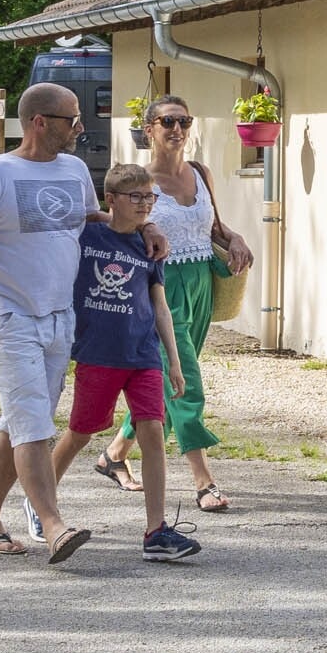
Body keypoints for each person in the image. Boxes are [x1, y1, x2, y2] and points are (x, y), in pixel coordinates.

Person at [0, 81, 101, 562]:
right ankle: (53, 525)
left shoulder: (75, 169)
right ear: (39, 122)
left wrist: (146, 225)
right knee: (33, 420)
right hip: (9, 314)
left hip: (60, 315)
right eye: (71, 119)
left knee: (22, 418)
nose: (80, 127)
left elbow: (87, 218)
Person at [92, 94, 253, 512]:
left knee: (168, 377)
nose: (177, 129)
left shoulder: (200, 173)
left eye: (184, 120)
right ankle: (203, 480)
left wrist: (232, 237)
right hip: (158, 289)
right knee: (186, 380)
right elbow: (116, 226)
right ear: (149, 130)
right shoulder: (138, 180)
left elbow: (212, 226)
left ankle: (114, 455)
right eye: (167, 122)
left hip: (200, 283)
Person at [47, 165, 203, 562]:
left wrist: (174, 362)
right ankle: (40, 499)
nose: (145, 205)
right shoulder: (88, 236)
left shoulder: (150, 247)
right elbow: (69, 220)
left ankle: (156, 531)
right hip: (99, 353)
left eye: (150, 198)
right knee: (81, 431)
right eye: (136, 197)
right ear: (111, 199)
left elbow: (160, 305)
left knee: (152, 430)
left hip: (144, 354)